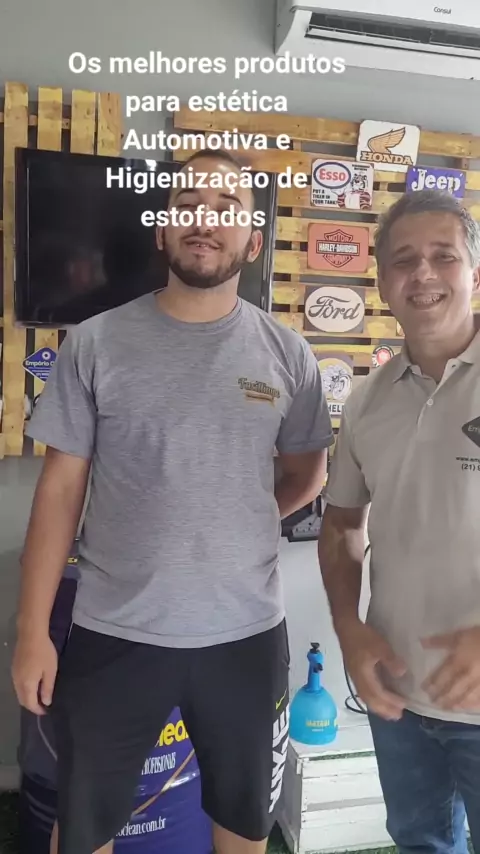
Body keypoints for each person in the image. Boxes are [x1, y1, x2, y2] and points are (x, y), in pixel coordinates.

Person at [12, 148, 334, 854]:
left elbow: (307, 476)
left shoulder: (288, 355)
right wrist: (34, 631)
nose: (204, 221)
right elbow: (60, 492)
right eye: (188, 205)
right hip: (113, 631)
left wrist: (237, 524)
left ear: (253, 241)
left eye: (226, 208)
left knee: (243, 825)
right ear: (161, 230)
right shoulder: (95, 343)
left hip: (246, 636)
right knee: (83, 827)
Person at [318, 188, 480, 854]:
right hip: (399, 698)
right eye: (404, 260)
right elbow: (341, 525)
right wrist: (349, 629)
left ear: (475, 273)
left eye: (444, 256)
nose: (423, 274)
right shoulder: (366, 401)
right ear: (383, 282)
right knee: (419, 842)